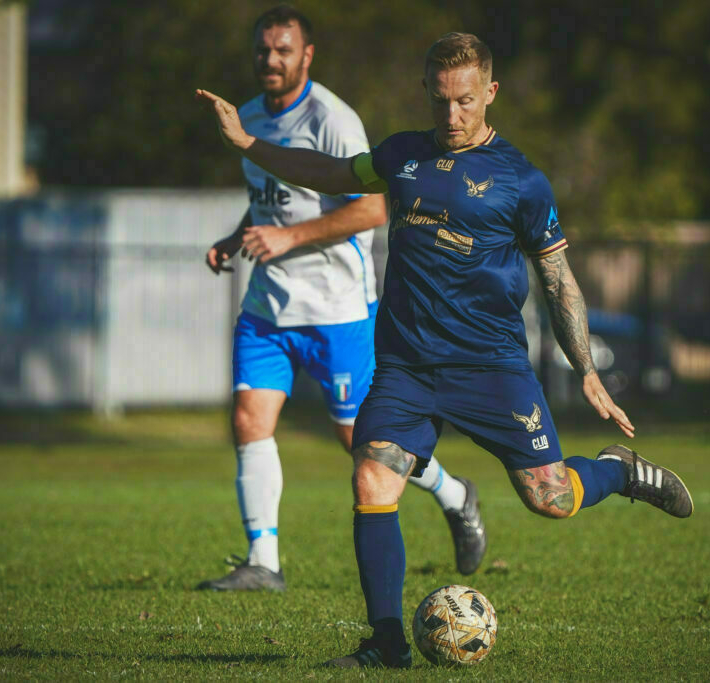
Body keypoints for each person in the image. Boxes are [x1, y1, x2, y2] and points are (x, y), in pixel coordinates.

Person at [196, 30, 693, 668]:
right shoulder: (402, 154)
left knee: (552, 499)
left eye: (464, 101)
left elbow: (557, 279)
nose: (451, 116)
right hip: (406, 365)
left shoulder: (521, 180)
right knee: (373, 475)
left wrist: (587, 371)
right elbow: (331, 173)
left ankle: (618, 472)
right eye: (439, 101)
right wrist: (249, 144)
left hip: (491, 366)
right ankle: (385, 644)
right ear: (426, 93)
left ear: (490, 92)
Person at [196, 8, 487, 594]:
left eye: (284, 51)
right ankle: (264, 562)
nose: (271, 60)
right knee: (249, 421)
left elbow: (374, 207)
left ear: (306, 56)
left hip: (338, 311)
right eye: (263, 50)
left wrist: (287, 238)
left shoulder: (331, 119)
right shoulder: (249, 118)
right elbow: (270, 200)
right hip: (268, 308)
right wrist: (238, 238)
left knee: (365, 444)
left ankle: (455, 495)